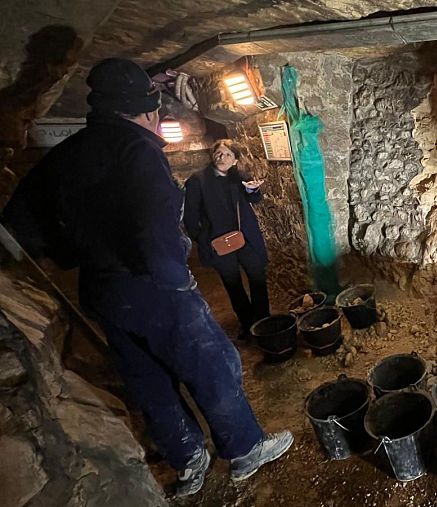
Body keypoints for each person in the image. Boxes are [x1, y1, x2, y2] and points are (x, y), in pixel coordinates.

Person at [3, 58, 292, 497]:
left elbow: (18, 227)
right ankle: (245, 449)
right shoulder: (138, 151)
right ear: (149, 109)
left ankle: (189, 460)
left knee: (148, 381)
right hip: (158, 287)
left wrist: (68, 253)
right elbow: (157, 222)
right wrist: (177, 280)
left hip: (102, 288)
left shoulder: (64, 155)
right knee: (212, 365)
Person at [183, 140, 269, 340]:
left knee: (257, 275)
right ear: (213, 156)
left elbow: (254, 199)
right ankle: (248, 324)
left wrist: (251, 190)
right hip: (218, 242)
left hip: (244, 237)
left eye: (228, 154)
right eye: (219, 154)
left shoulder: (238, 177)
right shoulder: (198, 180)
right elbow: (190, 215)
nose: (222, 158)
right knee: (233, 284)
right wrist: (202, 238)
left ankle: (263, 320)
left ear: (235, 160)